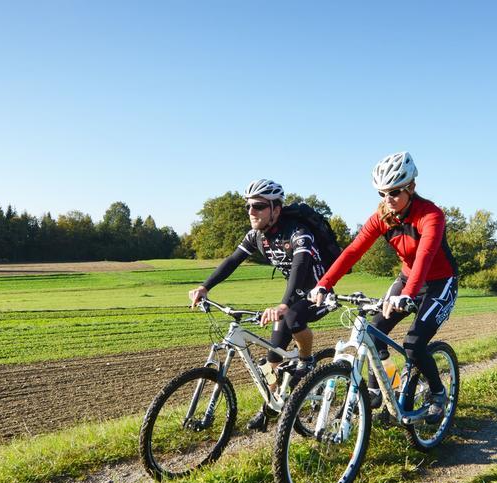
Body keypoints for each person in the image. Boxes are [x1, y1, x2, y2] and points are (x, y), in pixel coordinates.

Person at [311, 151, 457, 420]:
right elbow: (353, 251)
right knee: (374, 332)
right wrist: (324, 284)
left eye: (394, 193)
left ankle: (438, 393)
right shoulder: (382, 216)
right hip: (407, 280)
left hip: (438, 284)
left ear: (411, 187)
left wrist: (408, 295)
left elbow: (424, 257)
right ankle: (380, 389)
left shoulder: (431, 215)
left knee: (414, 344)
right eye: (382, 194)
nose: (388, 200)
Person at [188, 178, 333, 430]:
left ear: (276, 209)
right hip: (292, 295)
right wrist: (205, 286)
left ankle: (307, 360)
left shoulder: (299, 233)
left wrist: (284, 304)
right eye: (248, 206)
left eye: (258, 206)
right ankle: (269, 409)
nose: (251, 212)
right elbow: (233, 260)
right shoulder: (257, 236)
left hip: (318, 292)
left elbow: (301, 268)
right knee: (272, 359)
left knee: (292, 317)